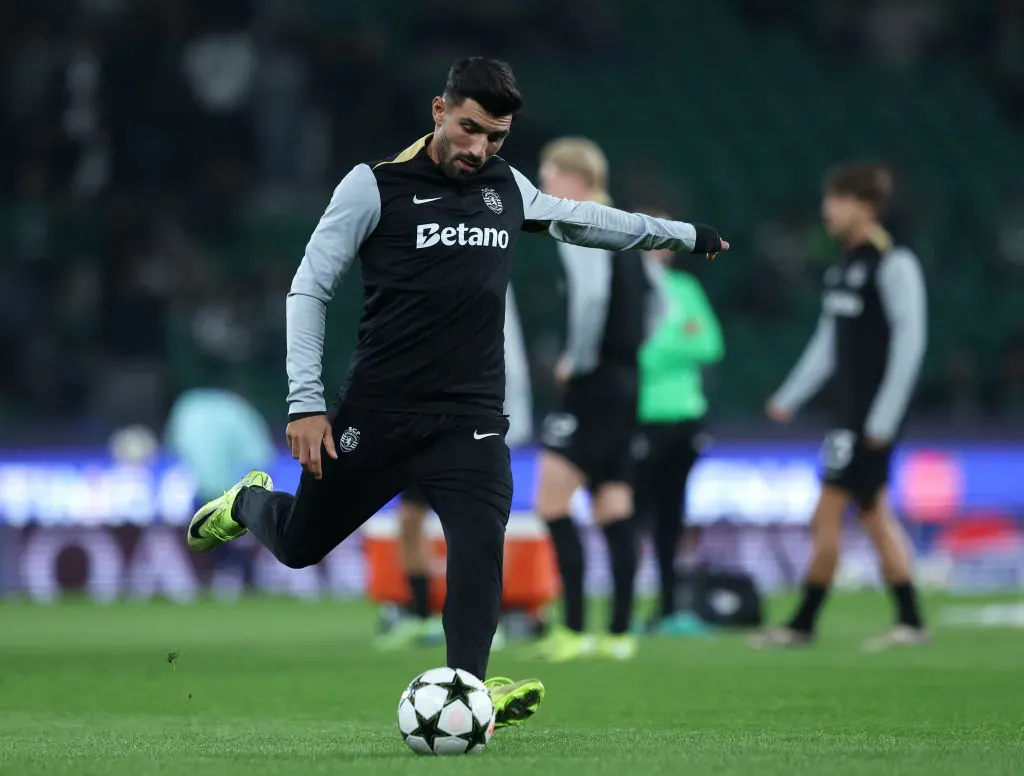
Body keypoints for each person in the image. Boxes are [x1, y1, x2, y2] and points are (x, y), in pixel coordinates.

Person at [185, 56, 728, 729]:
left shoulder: (507, 187)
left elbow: (588, 220)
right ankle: (250, 501)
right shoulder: (373, 186)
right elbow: (310, 287)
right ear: (439, 112)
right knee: (299, 547)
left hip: (469, 420)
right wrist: (305, 401)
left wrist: (683, 234)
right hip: (378, 414)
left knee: (478, 548)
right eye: (470, 129)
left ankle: (469, 689)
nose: (480, 149)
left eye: (496, 137)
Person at [751, 163, 928, 652]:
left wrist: (884, 419)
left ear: (865, 207)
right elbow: (828, 342)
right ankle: (911, 620)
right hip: (850, 416)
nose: (828, 209)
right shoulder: (844, 266)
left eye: (838, 200)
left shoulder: (894, 264)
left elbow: (910, 346)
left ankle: (802, 624)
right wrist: (791, 396)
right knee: (873, 514)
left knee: (826, 514)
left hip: (868, 418)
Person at [527, 138, 672, 662]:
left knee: (551, 500)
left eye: (549, 176)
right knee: (613, 503)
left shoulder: (583, 226)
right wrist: (633, 348)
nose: (544, 188)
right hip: (627, 382)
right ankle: (619, 633)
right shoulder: (630, 226)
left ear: (575, 179)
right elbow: (661, 299)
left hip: (593, 384)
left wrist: (579, 358)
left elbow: (590, 298)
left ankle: (573, 629)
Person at [376, 283, 533, 651]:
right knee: (410, 517)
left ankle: (489, 620)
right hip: (425, 416)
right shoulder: (424, 269)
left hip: (479, 418)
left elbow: (506, 352)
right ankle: (419, 616)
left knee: (481, 524)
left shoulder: (488, 271)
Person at [633, 211, 724, 635]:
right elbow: (634, 354)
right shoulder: (630, 288)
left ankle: (668, 608)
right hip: (640, 417)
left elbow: (709, 344)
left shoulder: (686, 287)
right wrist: (677, 339)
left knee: (672, 517)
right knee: (633, 517)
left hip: (683, 418)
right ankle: (625, 610)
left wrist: (659, 345)